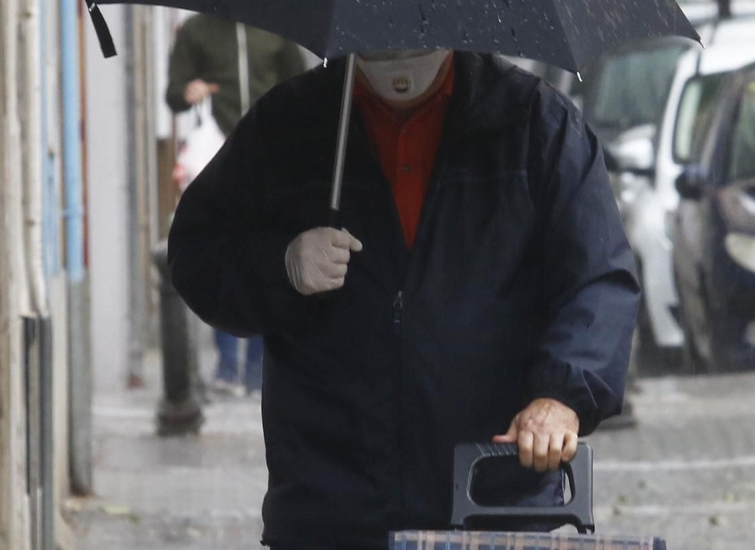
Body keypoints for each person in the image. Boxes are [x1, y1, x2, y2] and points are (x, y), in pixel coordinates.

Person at [169, 49, 639, 549]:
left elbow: (597, 277)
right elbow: (199, 252)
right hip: (332, 500)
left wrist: (562, 396)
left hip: (494, 499)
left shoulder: (535, 124)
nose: (397, 50)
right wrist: (281, 266)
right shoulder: (288, 126)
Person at [165, 13, 309, 394]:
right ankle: (228, 364)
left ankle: (259, 366)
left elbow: (304, 85)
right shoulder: (196, 30)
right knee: (225, 257)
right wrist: (188, 90)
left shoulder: (277, 27)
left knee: (268, 254)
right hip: (220, 156)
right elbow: (173, 93)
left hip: (273, 157)